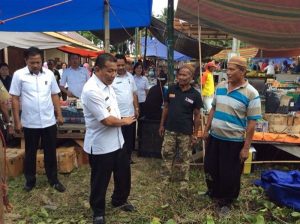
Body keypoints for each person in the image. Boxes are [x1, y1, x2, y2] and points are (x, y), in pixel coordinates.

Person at [81, 53, 136, 224]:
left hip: (117, 142)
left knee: (123, 174)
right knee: (100, 180)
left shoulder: (107, 84)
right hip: (101, 145)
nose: (113, 74)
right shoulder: (91, 90)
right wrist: (125, 121)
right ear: (97, 69)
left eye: (115, 71)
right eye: (109, 71)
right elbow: (106, 120)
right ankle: (98, 211)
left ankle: (119, 200)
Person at [203, 56, 261, 215]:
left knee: (230, 173)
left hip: (234, 141)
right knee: (210, 167)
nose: (227, 72)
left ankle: (226, 202)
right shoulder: (220, 86)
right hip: (215, 137)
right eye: (226, 69)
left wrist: (246, 148)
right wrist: (206, 129)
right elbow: (213, 109)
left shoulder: (251, 93)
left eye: (231, 69)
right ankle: (213, 192)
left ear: (242, 71)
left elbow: (252, 123)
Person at [9, 47, 66, 192]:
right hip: (30, 122)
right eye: (32, 62)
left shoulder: (49, 74)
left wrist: (59, 114)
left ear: (42, 61)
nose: (35, 65)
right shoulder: (19, 75)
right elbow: (15, 98)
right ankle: (30, 180)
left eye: (38, 62)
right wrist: (17, 121)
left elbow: (54, 95)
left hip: (48, 121)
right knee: (30, 152)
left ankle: (53, 179)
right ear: (26, 60)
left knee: (50, 151)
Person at [159, 64, 202, 192]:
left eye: (185, 75)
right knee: (167, 155)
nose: (182, 77)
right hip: (170, 129)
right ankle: (165, 179)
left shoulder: (195, 95)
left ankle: (183, 182)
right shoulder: (171, 89)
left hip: (186, 132)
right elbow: (165, 108)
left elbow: (197, 115)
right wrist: (162, 125)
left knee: (184, 158)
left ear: (191, 77)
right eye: (180, 75)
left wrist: (195, 134)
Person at [112, 54, 139, 163]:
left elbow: (134, 94)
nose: (121, 67)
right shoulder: (112, 78)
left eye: (123, 65)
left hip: (130, 113)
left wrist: (136, 108)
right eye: (118, 65)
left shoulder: (130, 77)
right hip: (118, 115)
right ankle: (119, 158)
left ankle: (128, 157)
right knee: (119, 137)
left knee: (129, 137)